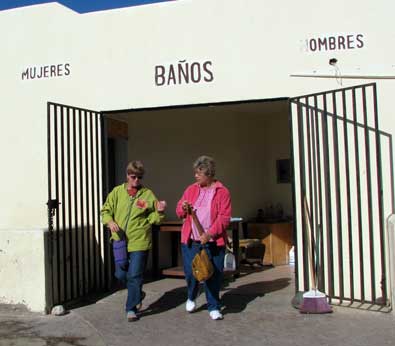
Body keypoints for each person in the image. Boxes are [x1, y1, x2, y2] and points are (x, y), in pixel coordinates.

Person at [101, 160, 166, 322]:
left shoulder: (147, 194)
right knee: (120, 273)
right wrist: (110, 221)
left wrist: (159, 212)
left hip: (140, 241)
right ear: (127, 176)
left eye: (139, 177)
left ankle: (131, 308)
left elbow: (154, 219)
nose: (136, 180)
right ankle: (138, 293)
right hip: (120, 241)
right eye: (133, 177)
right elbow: (105, 210)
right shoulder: (116, 192)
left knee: (135, 275)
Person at [176, 155, 231, 320]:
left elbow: (224, 217)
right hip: (191, 240)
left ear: (209, 174)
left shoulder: (222, 192)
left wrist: (209, 234)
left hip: (213, 241)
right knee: (191, 272)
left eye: (199, 173)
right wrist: (184, 208)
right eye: (195, 172)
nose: (196, 176)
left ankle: (213, 306)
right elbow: (179, 210)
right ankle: (192, 296)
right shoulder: (191, 189)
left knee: (213, 273)